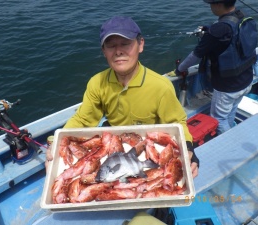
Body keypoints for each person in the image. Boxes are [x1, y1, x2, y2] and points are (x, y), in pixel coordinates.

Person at [46, 16, 199, 177]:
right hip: (114, 151)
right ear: (103, 51)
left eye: (125, 44)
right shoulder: (97, 83)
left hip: (149, 148)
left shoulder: (161, 86)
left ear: (140, 45)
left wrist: (188, 148)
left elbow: (177, 123)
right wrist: (57, 142)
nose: (118, 51)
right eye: (111, 46)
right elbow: (83, 120)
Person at [172, 0, 257, 135]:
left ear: (218, 5)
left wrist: (179, 69)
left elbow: (195, 55)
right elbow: (227, 30)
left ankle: (229, 141)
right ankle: (231, 130)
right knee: (231, 110)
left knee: (218, 119)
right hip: (246, 79)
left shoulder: (218, 30)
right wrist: (209, 28)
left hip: (228, 87)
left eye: (211, 4)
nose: (210, 7)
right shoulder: (242, 15)